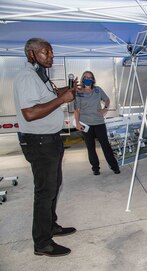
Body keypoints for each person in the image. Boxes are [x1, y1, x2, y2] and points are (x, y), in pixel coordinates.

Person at [14, 38, 77, 256]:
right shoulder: (27, 76)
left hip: (50, 139)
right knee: (45, 191)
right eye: (45, 53)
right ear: (31, 54)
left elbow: (46, 97)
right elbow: (30, 113)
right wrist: (62, 101)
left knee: (54, 186)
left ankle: (50, 226)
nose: (51, 56)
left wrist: (65, 92)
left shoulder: (40, 75)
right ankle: (42, 243)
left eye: (51, 52)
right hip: (39, 142)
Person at [74, 71, 120, 175]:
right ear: (82, 79)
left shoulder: (97, 90)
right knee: (91, 147)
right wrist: (77, 123)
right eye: (86, 77)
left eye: (90, 77)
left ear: (93, 79)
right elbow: (76, 109)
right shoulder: (79, 92)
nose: (88, 79)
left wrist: (105, 109)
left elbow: (107, 100)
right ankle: (95, 168)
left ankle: (114, 166)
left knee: (105, 145)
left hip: (99, 122)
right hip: (86, 124)